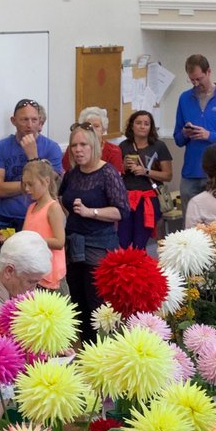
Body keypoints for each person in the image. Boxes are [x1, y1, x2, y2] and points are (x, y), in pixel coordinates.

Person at [60, 121, 129, 341]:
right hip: (74, 246)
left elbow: (121, 211)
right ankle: (86, 352)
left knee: (97, 306)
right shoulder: (72, 174)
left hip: (99, 247)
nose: (78, 150)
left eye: (83, 145)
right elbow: (62, 198)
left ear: (94, 146)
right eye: (74, 145)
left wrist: (91, 212)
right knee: (77, 304)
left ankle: (102, 351)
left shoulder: (108, 173)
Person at [172, 54, 216, 207]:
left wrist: (209, 135)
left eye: (199, 79)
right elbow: (178, 139)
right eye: (192, 80)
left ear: (209, 72)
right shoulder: (184, 98)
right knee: (189, 220)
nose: (196, 84)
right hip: (190, 174)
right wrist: (185, 133)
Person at [0, 99, 64, 232]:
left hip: (41, 217)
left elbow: (49, 187)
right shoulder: (1, 146)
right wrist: (32, 185)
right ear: (13, 121)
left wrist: (33, 158)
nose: (29, 125)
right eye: (24, 120)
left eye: (34, 120)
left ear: (40, 121)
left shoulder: (52, 148)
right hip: (8, 219)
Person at [116, 109, 171, 249]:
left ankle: (140, 261)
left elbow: (168, 175)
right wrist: (124, 166)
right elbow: (115, 173)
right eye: (138, 123)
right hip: (127, 198)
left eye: (146, 124)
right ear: (132, 125)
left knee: (140, 240)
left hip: (149, 198)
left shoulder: (159, 146)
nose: (142, 126)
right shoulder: (123, 146)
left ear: (151, 127)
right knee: (123, 239)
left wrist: (146, 171)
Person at [19, 159, 66, 291]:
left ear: (46, 181)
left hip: (51, 277)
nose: (27, 189)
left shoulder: (53, 208)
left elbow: (59, 242)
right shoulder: (31, 208)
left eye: (31, 184)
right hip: (34, 273)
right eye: (25, 185)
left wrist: (33, 240)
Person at [60, 107, 124, 172]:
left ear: (103, 129)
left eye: (96, 126)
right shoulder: (74, 148)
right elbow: (65, 171)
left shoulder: (113, 151)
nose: (92, 130)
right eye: (87, 126)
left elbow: (115, 175)